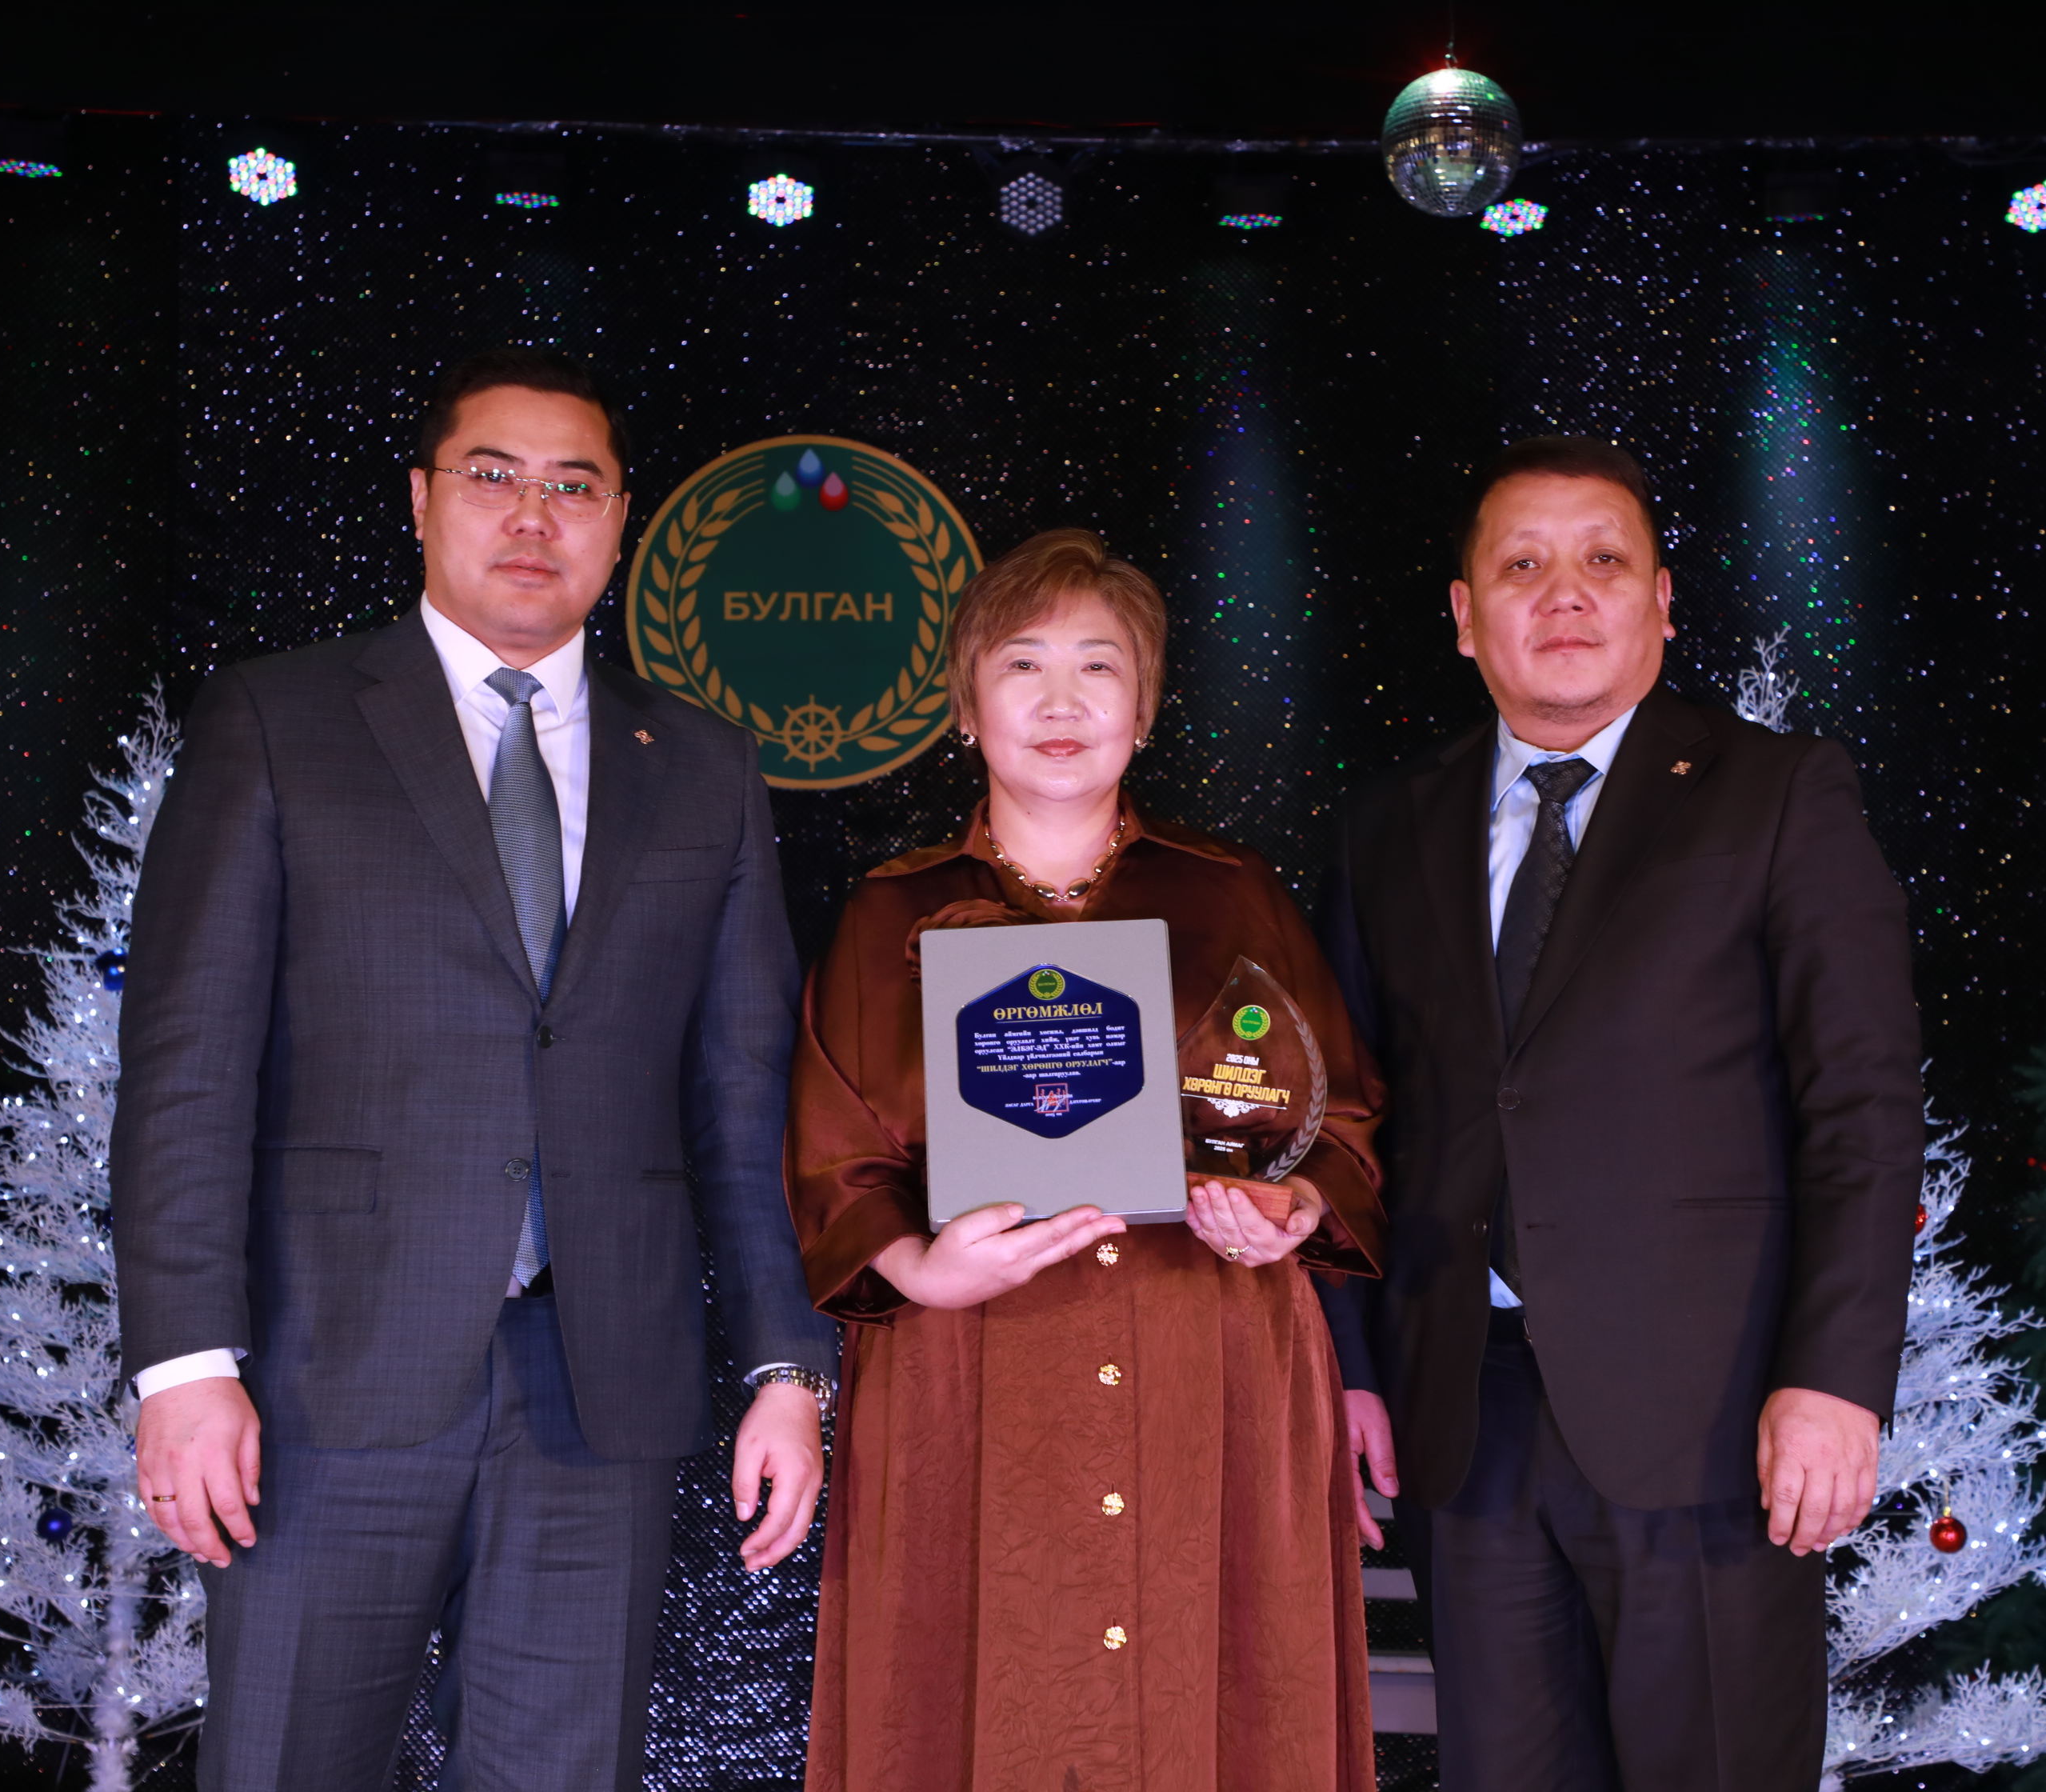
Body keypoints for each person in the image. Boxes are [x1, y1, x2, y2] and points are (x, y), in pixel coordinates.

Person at [111, 346, 837, 1791]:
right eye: (493, 476)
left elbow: (742, 1096)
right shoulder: (277, 720)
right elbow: (189, 1063)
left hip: (597, 1389)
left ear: (619, 523)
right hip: (324, 1379)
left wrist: (785, 1368)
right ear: (422, 499)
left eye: (574, 486)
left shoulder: (702, 763)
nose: (532, 516)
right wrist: (185, 1365)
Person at [1319, 438, 1924, 1790]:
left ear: (1661, 600)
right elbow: (1347, 1123)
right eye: (1522, 566)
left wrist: (1835, 1379)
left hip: (1710, 1415)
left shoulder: (1778, 793)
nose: (1565, 594)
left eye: (1603, 560)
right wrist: (1350, 1365)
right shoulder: (1385, 826)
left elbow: (1863, 1104)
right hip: (1463, 1418)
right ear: (1465, 616)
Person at [789, 527, 1389, 1792]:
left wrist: (1291, 1208)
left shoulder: (1235, 893)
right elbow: (835, 1162)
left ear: (1145, 706)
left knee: (1221, 1710)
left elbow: (1341, 1124)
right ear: (967, 705)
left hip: (1208, 1360)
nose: (1061, 701)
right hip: (968, 1372)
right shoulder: (887, 913)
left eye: (1098, 667)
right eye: (1023, 665)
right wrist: (918, 1268)